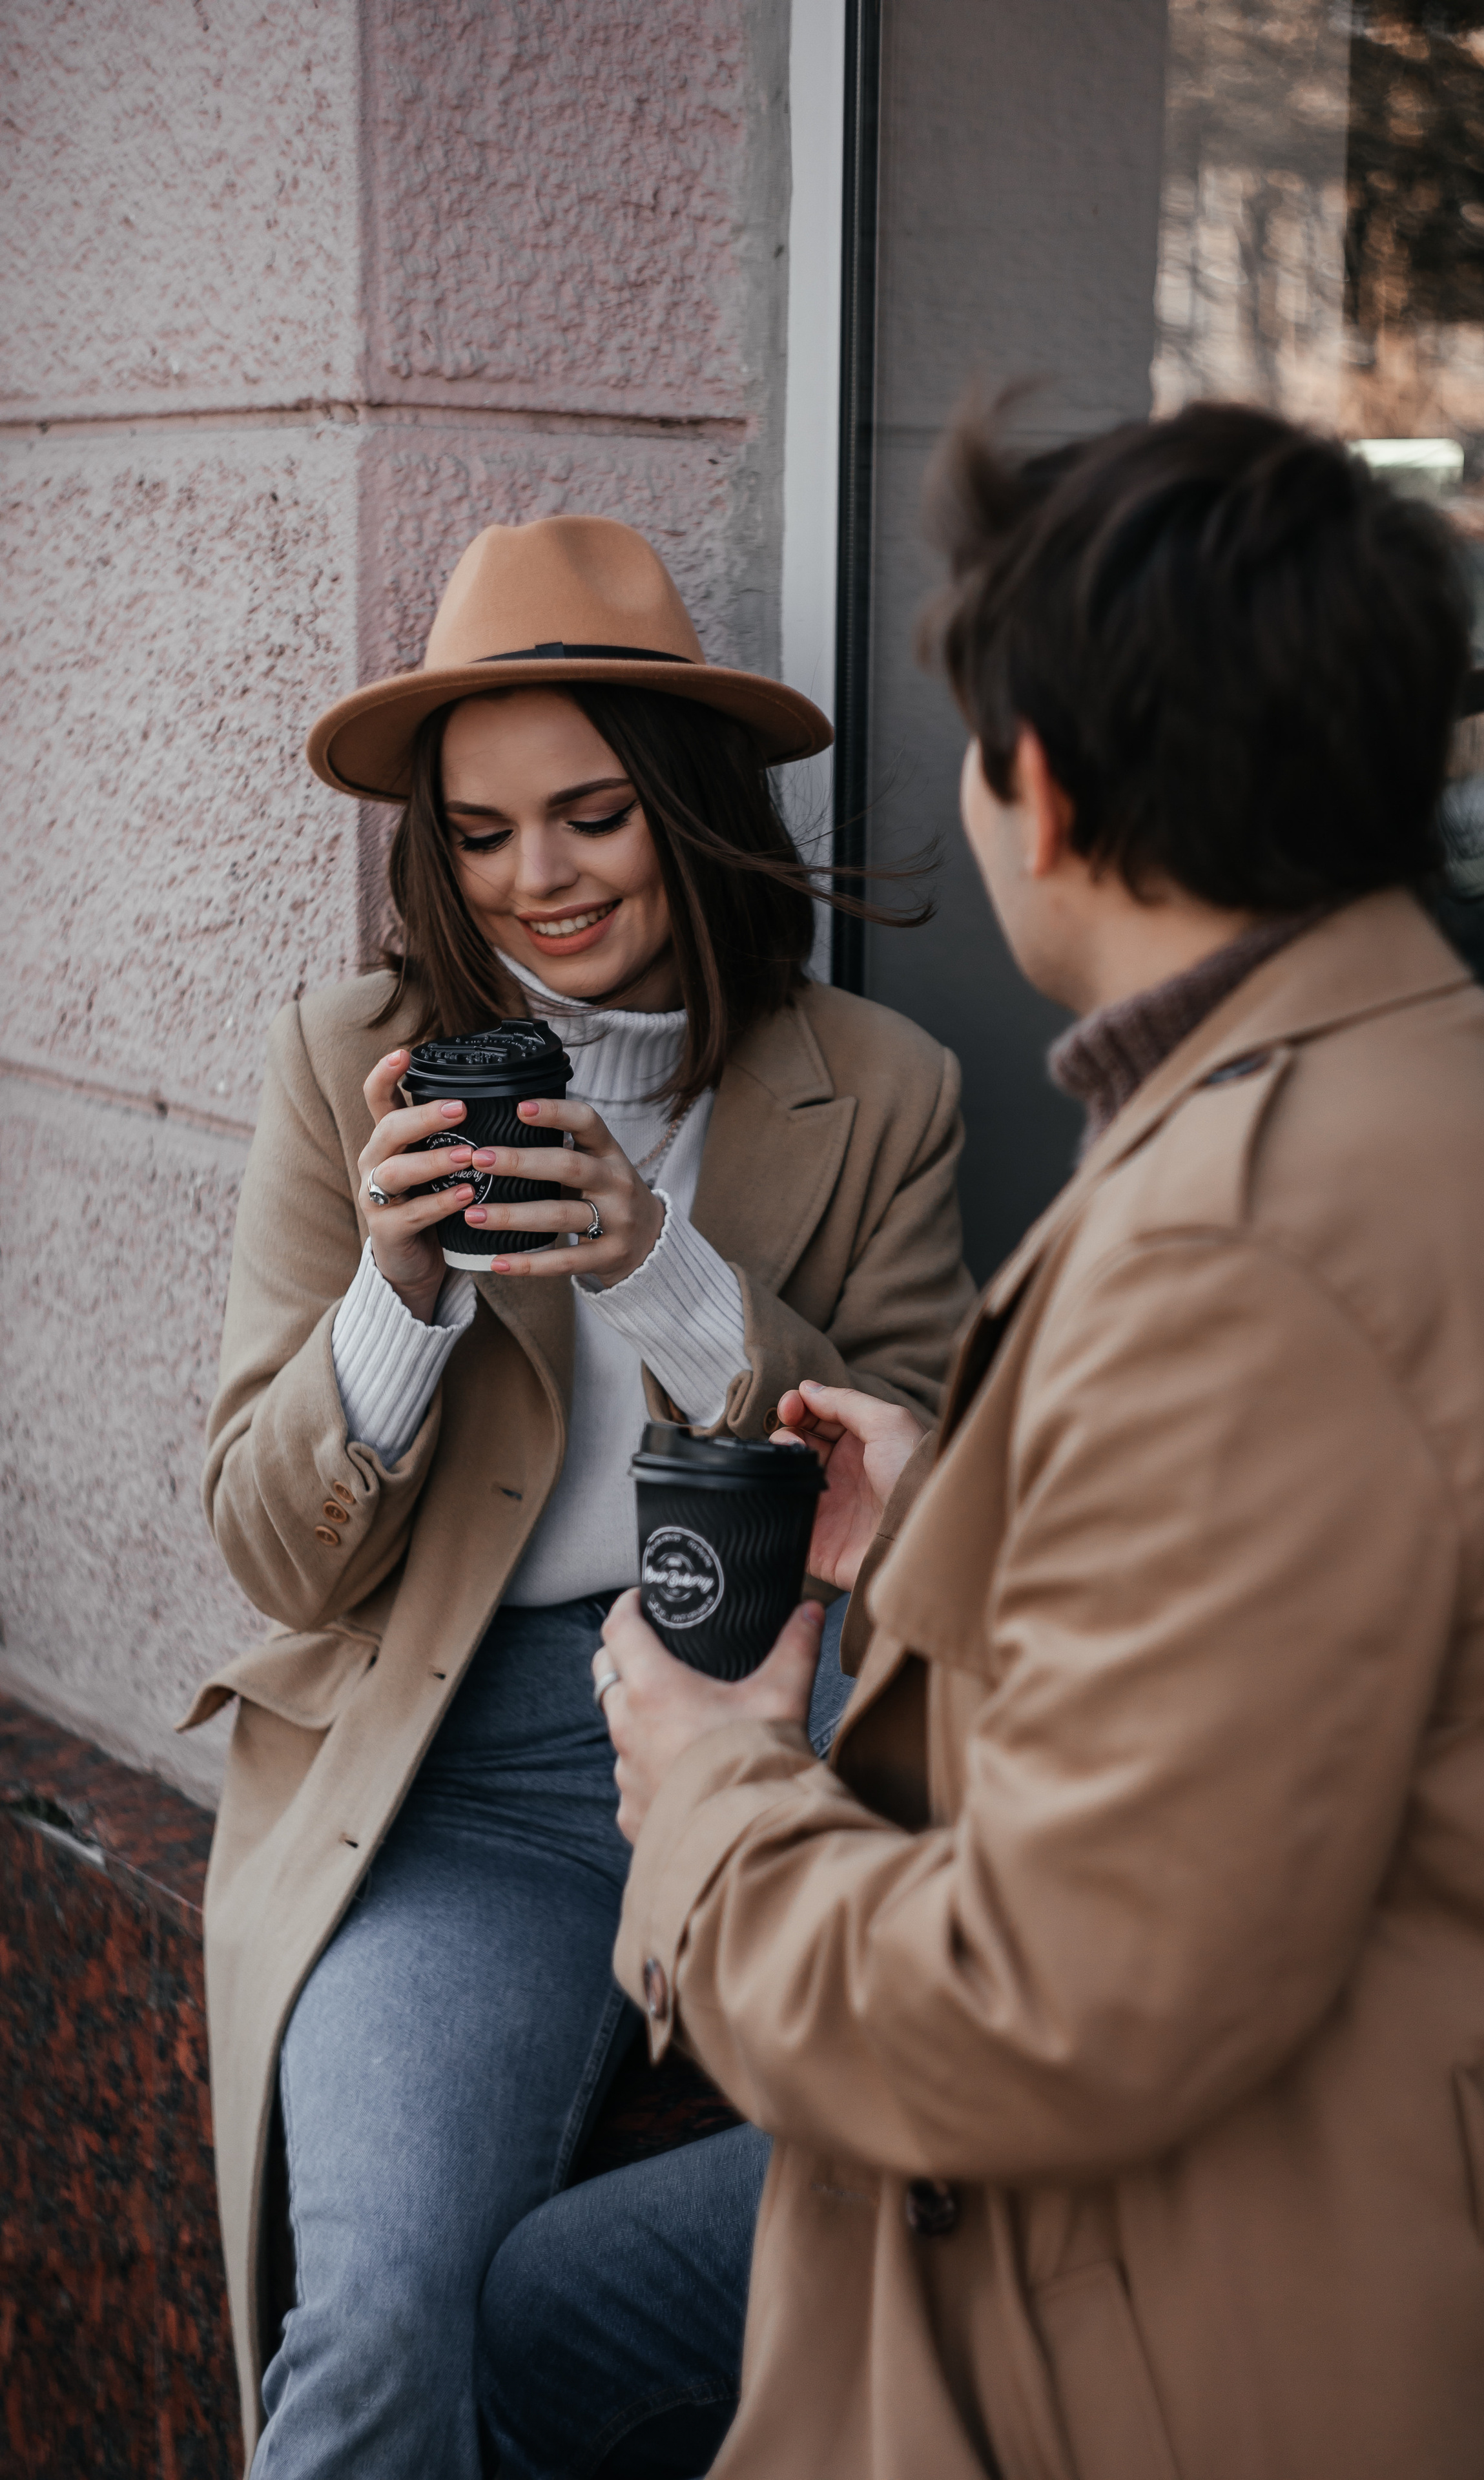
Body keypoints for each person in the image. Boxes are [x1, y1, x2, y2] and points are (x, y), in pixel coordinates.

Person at [511, 404, 1484, 2478]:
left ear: (1037, 786)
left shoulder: (1256, 1225)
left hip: (1243, 2319)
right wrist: (959, 1520)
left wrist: (706, 1793)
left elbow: (1033, 2012)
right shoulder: (1482, 1097)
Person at [181, 513, 974, 2477]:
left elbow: (948, 1512)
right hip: (472, 1781)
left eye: (592, 815)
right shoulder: (349, 1063)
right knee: (370, 2324)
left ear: (689, 809)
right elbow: (272, 1550)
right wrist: (399, 1294)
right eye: (477, 831)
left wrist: (665, 1271)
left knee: (866, 2268)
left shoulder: (878, 1087)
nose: (535, 880)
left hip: (794, 1755)